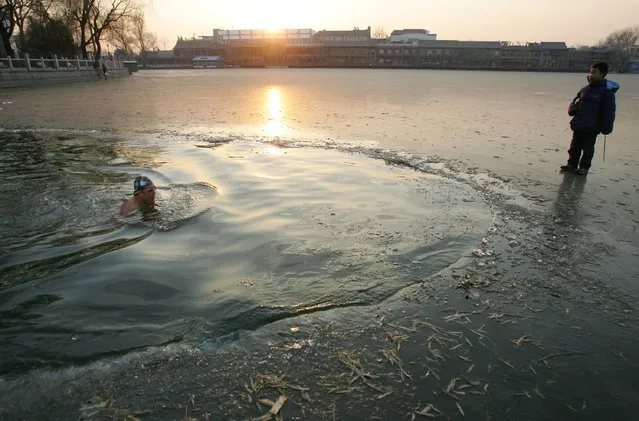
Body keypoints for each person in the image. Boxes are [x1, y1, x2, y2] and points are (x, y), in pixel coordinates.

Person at [560, 62, 619, 175]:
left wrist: (607, 127)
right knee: (574, 146)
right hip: (579, 124)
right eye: (590, 72)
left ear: (602, 74)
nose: (591, 75)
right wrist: (572, 109)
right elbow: (575, 101)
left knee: (588, 148)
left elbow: (609, 112)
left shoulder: (607, 93)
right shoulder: (585, 89)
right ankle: (571, 164)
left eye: (594, 73)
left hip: (592, 126)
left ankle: (584, 167)